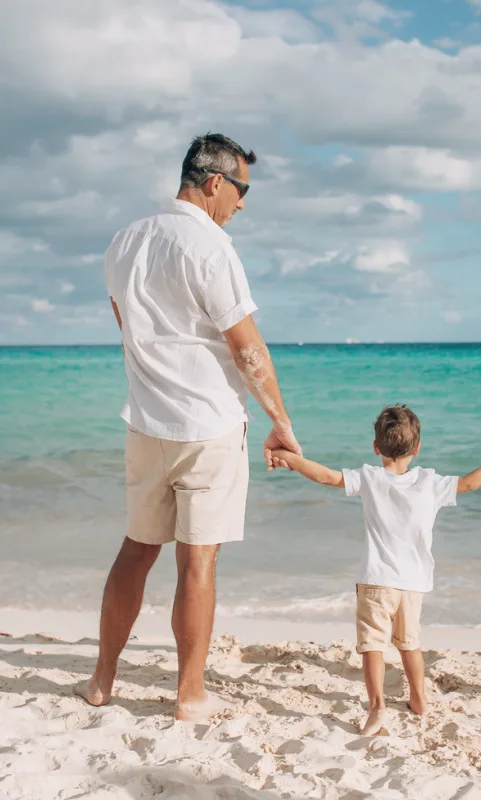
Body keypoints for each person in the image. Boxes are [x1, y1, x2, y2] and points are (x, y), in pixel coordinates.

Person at [75, 133, 302, 722]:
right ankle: (190, 693)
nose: (243, 204)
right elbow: (247, 348)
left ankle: (102, 680)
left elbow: (125, 324)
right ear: (214, 182)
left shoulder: (125, 240)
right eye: (242, 190)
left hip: (146, 422)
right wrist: (281, 422)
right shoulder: (211, 245)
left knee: (136, 549)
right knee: (198, 562)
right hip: (208, 424)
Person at [271, 405, 481, 735]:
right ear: (417, 449)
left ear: (376, 448)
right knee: (409, 644)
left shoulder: (370, 478)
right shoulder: (431, 482)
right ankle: (419, 699)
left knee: (373, 644)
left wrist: (289, 456)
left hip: (375, 580)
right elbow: (471, 483)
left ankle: (377, 708)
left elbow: (326, 476)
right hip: (413, 584)